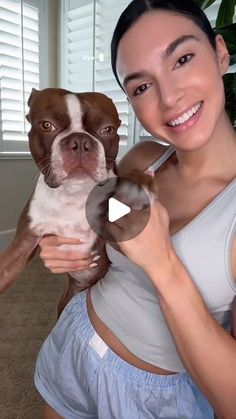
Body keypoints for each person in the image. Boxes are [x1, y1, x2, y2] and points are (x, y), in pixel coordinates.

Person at [34, 0, 236, 418]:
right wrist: (76, 258)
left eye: (182, 58)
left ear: (220, 53)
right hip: (74, 343)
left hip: (153, 399)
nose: (169, 97)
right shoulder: (142, 160)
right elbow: (101, 244)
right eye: (141, 86)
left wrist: (164, 264)